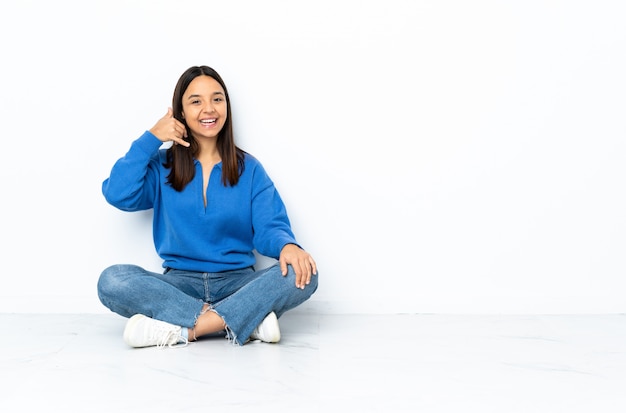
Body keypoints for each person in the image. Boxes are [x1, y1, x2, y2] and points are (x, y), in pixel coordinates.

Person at [97, 65, 318, 348]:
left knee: (306, 273)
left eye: (217, 99)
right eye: (196, 101)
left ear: (226, 106)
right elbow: (118, 193)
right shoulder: (161, 166)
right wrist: (151, 137)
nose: (208, 109)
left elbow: (270, 227)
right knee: (113, 280)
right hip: (180, 285)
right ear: (181, 112)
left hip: (238, 284)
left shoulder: (249, 169)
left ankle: (183, 330)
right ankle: (245, 321)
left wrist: (288, 246)